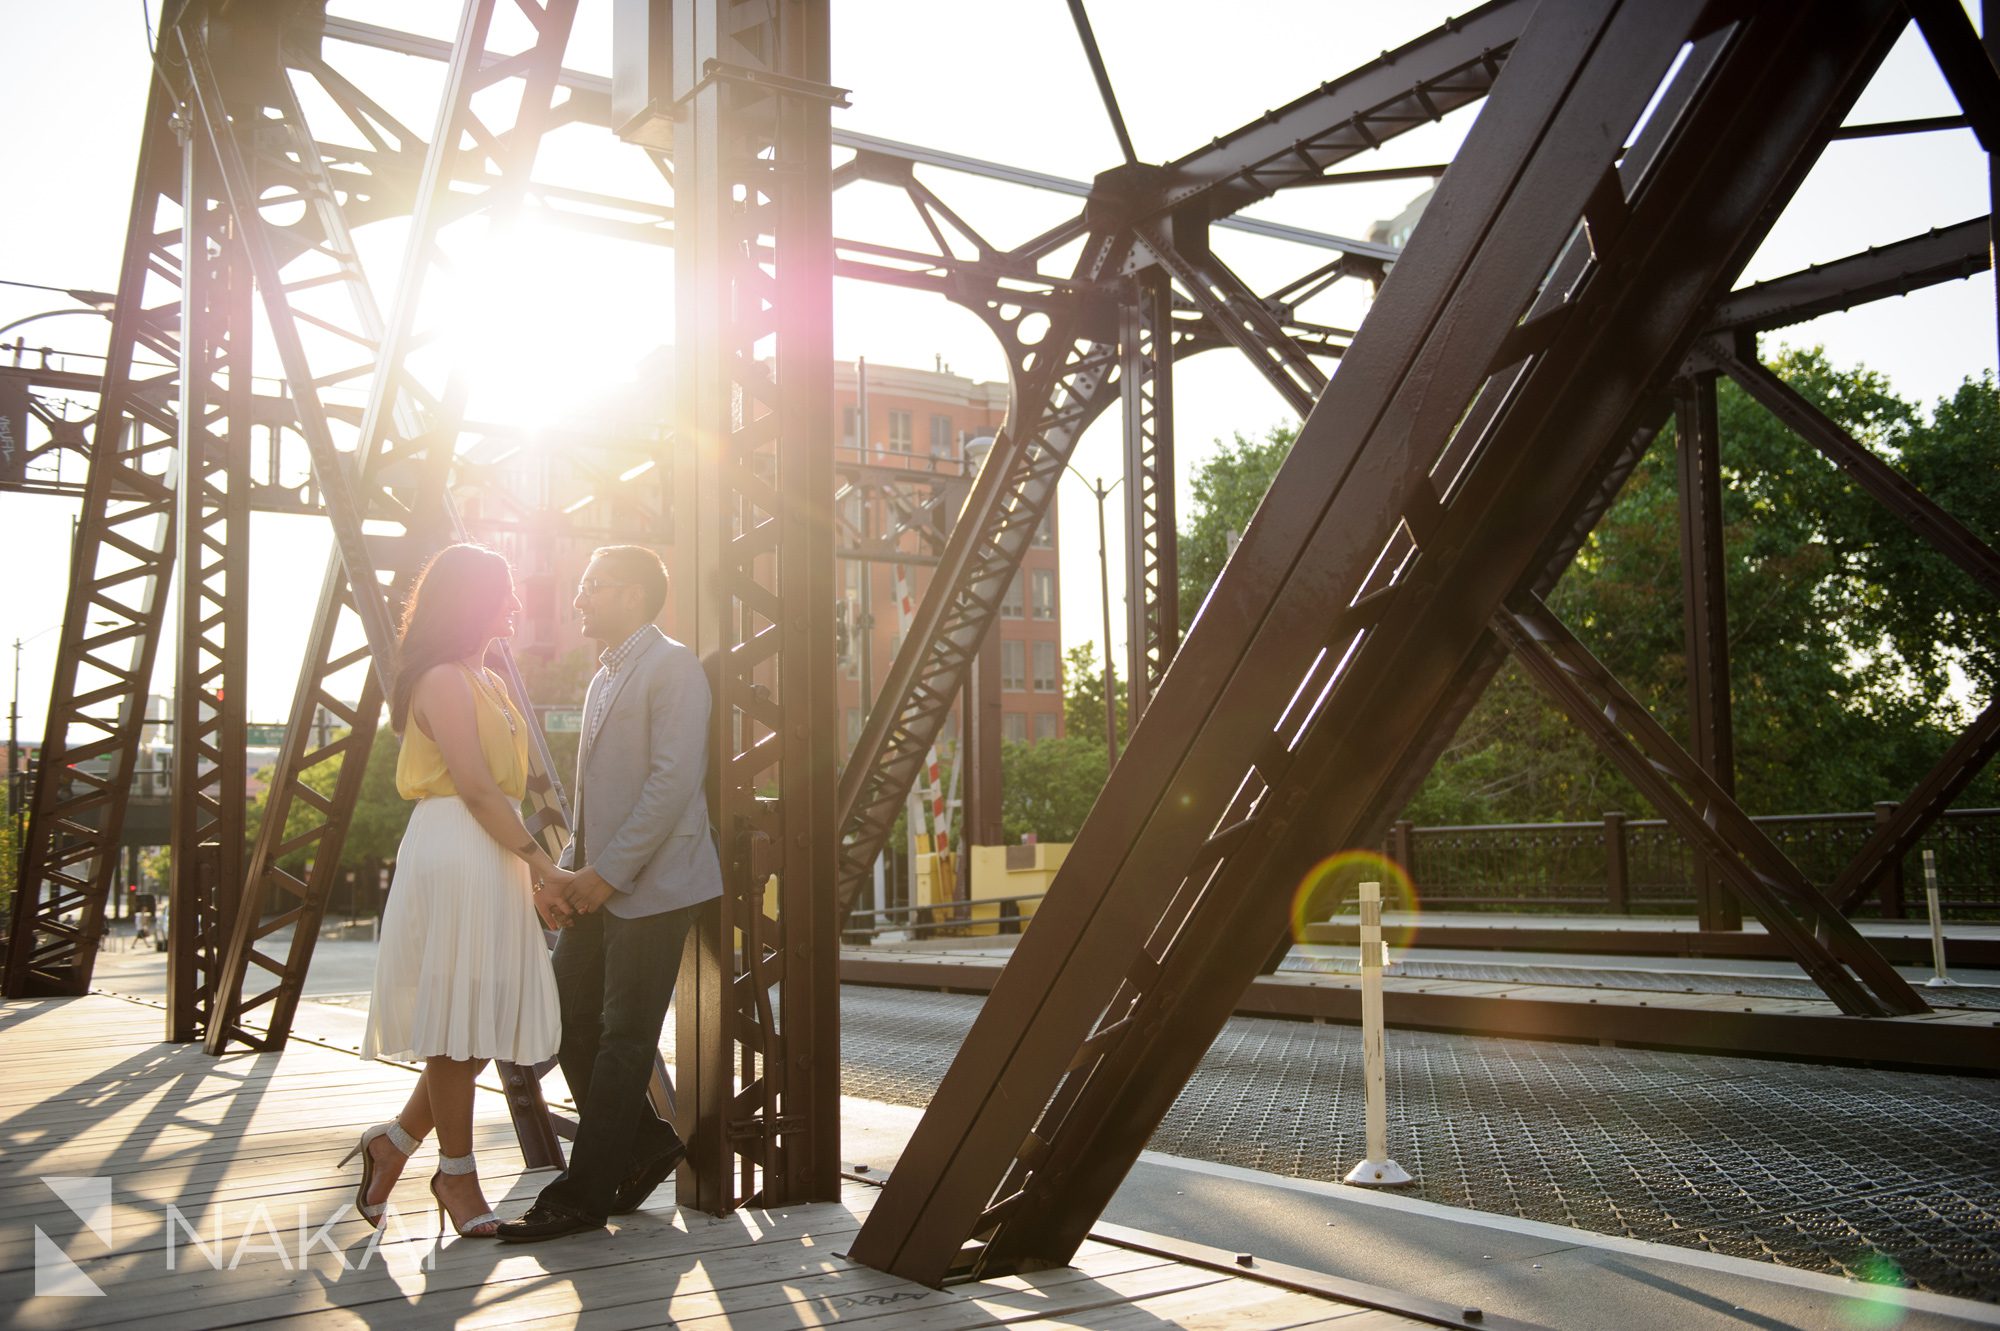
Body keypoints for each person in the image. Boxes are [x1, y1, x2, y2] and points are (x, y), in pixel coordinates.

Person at [498, 544, 722, 1241]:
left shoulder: (674, 667)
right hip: (599, 881)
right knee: (561, 1014)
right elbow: (595, 801)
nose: (578, 600)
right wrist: (566, 875)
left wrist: (601, 875)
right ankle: (646, 1143)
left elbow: (670, 785)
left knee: (625, 1037)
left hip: (657, 884)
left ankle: (582, 1194)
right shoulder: (604, 678)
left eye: (593, 586)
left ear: (632, 594)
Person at [343, 543, 567, 1239]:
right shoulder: (441, 677)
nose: (518, 605)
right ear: (473, 600)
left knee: (477, 1020)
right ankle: (459, 1173)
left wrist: (524, 862)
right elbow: (472, 786)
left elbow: (496, 788)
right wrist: (539, 861)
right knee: (457, 1022)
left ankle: (395, 1146)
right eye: (505, 592)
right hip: (458, 848)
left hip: (489, 850)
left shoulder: (488, 676)